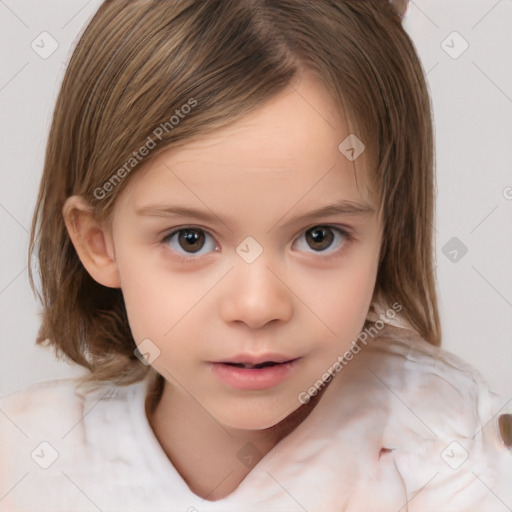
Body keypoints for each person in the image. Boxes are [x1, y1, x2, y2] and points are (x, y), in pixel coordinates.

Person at [1, 1, 510, 510]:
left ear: (388, 229)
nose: (257, 305)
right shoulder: (27, 463)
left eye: (319, 237)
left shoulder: (444, 450)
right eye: (191, 239)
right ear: (99, 242)